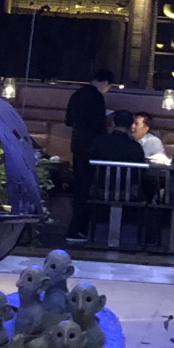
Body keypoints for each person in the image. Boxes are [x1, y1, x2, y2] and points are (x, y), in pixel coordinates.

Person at [64, 67, 113, 241]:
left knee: (79, 188)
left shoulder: (77, 95)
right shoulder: (97, 97)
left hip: (77, 145)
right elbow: (100, 126)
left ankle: (74, 228)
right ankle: (81, 229)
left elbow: (68, 121)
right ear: (105, 83)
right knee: (87, 190)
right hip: (92, 148)